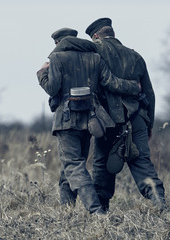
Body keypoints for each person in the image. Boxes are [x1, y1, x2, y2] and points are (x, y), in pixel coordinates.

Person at [37, 27, 140, 215]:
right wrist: (134, 86)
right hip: (90, 120)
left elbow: (52, 89)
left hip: (66, 120)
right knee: (73, 164)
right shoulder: (94, 58)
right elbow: (111, 82)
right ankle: (66, 211)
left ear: (59, 43)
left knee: (73, 165)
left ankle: (96, 211)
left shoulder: (57, 59)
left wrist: (42, 73)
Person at [85, 18, 167, 212]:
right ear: (112, 34)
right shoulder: (135, 56)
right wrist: (149, 126)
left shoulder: (94, 52)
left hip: (107, 121)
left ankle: (101, 212)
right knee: (142, 163)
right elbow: (150, 94)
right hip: (136, 119)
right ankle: (159, 203)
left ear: (96, 36)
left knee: (102, 165)